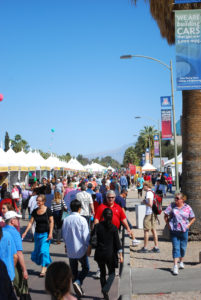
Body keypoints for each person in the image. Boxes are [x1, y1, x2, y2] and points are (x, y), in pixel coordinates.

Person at [88, 208, 123, 300]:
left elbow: (92, 238)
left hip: (99, 253)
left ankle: (105, 294)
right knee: (111, 273)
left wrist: (89, 249)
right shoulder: (114, 228)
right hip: (110, 254)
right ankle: (106, 289)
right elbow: (117, 243)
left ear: (103, 216)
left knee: (102, 273)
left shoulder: (97, 226)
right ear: (111, 216)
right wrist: (121, 255)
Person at [62, 199, 90, 297]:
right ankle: (78, 282)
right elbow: (86, 235)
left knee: (74, 270)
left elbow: (64, 235)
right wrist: (88, 246)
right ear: (79, 209)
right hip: (80, 248)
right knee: (86, 268)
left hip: (70, 248)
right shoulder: (82, 219)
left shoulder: (66, 219)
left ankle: (78, 288)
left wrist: (66, 245)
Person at [164, 193, 195, 275]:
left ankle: (181, 261)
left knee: (183, 248)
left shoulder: (187, 207)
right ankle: (175, 266)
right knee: (175, 247)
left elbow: (193, 217)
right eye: (175, 198)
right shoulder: (172, 206)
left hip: (184, 231)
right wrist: (168, 225)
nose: (176, 200)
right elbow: (165, 215)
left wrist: (188, 225)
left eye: (177, 198)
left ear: (182, 199)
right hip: (174, 231)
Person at [22, 194, 54, 277]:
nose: (37, 202)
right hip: (37, 234)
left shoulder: (48, 210)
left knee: (44, 251)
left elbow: (51, 222)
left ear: (43, 201)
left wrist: (50, 233)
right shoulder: (35, 211)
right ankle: (45, 264)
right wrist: (25, 232)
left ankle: (43, 269)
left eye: (39, 201)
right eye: (37, 201)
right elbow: (30, 222)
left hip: (46, 234)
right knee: (38, 252)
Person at [3, 211, 29, 298]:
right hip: (11, 267)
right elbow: (18, 253)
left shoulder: (2, 231)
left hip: (2, 267)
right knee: (21, 291)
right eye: (17, 219)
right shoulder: (15, 233)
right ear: (12, 221)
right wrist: (24, 269)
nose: (18, 220)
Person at [138, 182, 160, 253]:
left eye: (143, 186)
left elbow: (150, 204)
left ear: (146, 186)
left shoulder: (148, 193)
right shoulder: (152, 191)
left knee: (146, 230)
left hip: (149, 213)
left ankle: (145, 247)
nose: (142, 187)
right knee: (154, 230)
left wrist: (144, 202)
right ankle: (156, 247)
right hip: (153, 213)